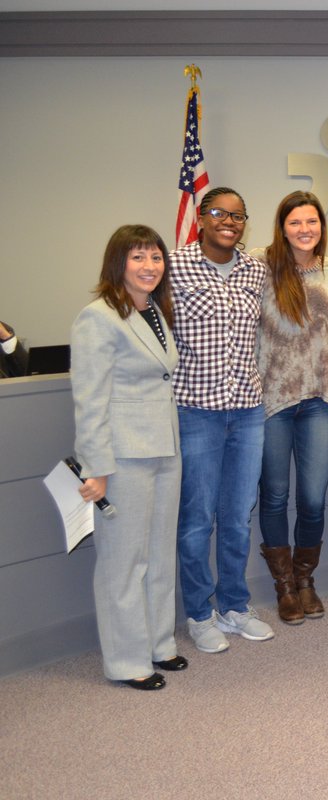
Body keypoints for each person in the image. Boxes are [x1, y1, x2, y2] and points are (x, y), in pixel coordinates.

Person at [70, 224, 184, 689]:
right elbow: (89, 398)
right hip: (122, 458)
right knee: (123, 561)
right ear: (118, 263)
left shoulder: (155, 311)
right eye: (138, 257)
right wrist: (95, 467)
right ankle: (126, 661)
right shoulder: (97, 317)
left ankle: (159, 644)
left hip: (164, 448)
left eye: (156, 257)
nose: (149, 266)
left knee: (159, 554)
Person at [171, 186, 275, 653]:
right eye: (219, 213)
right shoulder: (174, 266)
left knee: (237, 515)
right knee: (197, 519)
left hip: (248, 410)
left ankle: (234, 605)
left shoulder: (255, 269)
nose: (229, 221)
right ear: (201, 216)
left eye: (237, 215)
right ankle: (199, 612)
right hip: (196, 410)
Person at [252, 191, 328, 625]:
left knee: (312, 499)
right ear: (281, 226)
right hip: (272, 400)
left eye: (312, 222)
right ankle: (284, 586)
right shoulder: (259, 264)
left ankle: (305, 580)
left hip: (320, 399)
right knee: (274, 495)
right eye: (295, 222)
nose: (305, 229)